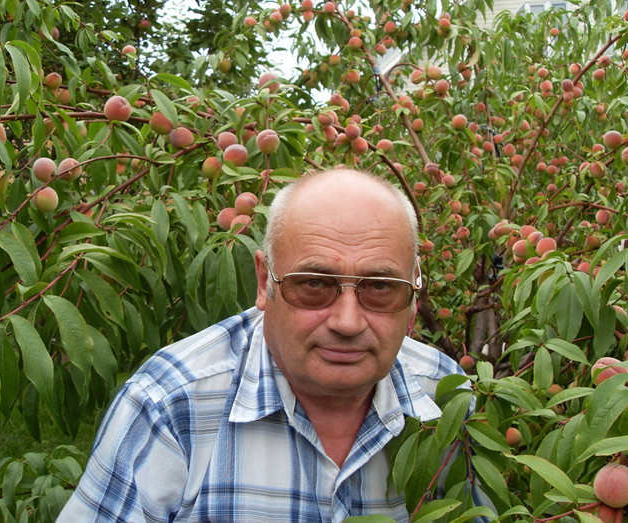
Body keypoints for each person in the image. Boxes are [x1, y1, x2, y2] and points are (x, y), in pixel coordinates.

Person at [58, 169, 470, 522]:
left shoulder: (448, 398)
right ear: (263, 281)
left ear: (415, 291)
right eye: (313, 284)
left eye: (381, 286)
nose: (348, 322)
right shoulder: (170, 405)